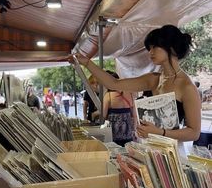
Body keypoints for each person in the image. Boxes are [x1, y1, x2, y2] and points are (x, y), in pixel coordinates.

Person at [72, 25, 201, 142]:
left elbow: (194, 133)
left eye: (155, 47)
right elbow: (114, 84)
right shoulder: (154, 79)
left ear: (171, 47)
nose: (150, 52)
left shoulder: (187, 86)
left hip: (173, 154)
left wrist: (161, 132)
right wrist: (87, 63)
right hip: (149, 148)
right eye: (149, 48)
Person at [103, 70, 135, 146]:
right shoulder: (129, 93)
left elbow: (103, 115)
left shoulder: (108, 95)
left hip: (114, 133)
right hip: (128, 131)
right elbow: (134, 114)